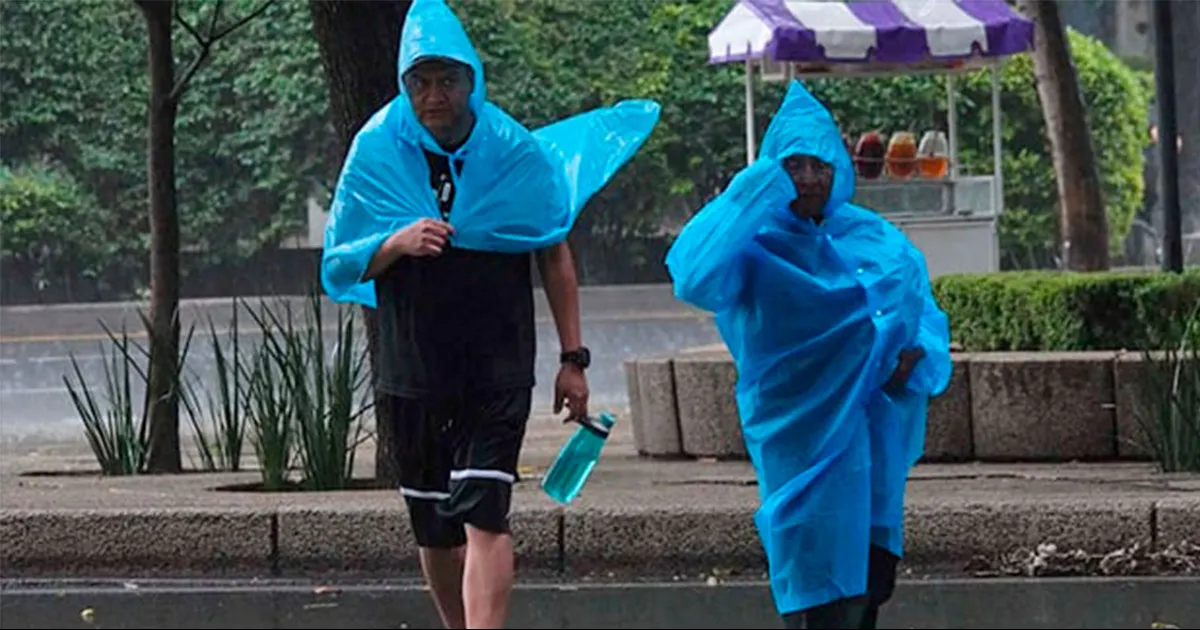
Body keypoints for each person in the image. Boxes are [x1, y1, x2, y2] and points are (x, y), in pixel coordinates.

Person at [319, 1, 659, 628]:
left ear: (471, 80)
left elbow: (553, 250)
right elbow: (341, 262)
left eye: (448, 80)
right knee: (434, 524)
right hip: (413, 367)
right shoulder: (378, 149)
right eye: (421, 81)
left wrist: (573, 360)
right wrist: (396, 242)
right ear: (404, 85)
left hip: (494, 364)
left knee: (485, 512)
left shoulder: (511, 150)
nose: (435, 96)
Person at [664, 80, 953, 629]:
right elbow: (693, 276)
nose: (809, 178)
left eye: (820, 165)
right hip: (797, 437)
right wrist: (752, 191)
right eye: (793, 165)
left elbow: (919, 310)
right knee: (814, 581)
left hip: (869, 434)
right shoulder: (751, 245)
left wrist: (911, 362)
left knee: (869, 577)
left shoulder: (871, 236)